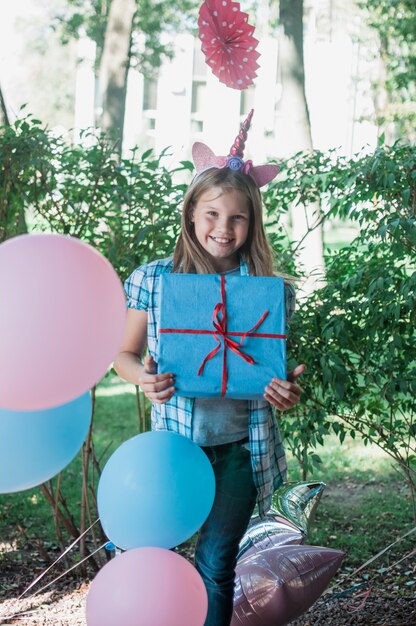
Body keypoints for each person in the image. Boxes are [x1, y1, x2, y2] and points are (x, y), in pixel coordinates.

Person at [113, 110, 305, 626]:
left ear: (252, 223)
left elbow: (276, 375)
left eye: (237, 218)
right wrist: (144, 379)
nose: (224, 228)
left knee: (217, 566)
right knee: (151, 556)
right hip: (172, 449)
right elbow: (122, 356)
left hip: (240, 452)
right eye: (213, 215)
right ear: (191, 214)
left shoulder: (271, 291)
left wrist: (285, 390)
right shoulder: (153, 280)